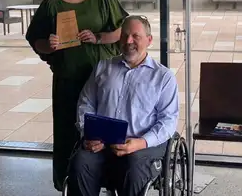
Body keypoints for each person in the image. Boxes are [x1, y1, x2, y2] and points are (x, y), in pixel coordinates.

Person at [25, 0, 129, 191]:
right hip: (68, 82)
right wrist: (49, 46)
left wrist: (99, 37)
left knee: (106, 133)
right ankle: (73, 184)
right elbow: (35, 39)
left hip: (104, 81)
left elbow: (122, 29)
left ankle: (111, 181)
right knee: (70, 135)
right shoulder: (51, 5)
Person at [67, 15, 179, 196]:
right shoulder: (103, 68)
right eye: (125, 35)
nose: (128, 41)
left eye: (136, 36)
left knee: (134, 167)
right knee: (80, 163)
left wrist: (141, 143)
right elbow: (85, 104)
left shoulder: (163, 77)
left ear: (149, 40)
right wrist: (87, 133)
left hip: (141, 146)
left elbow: (168, 121)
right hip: (101, 143)